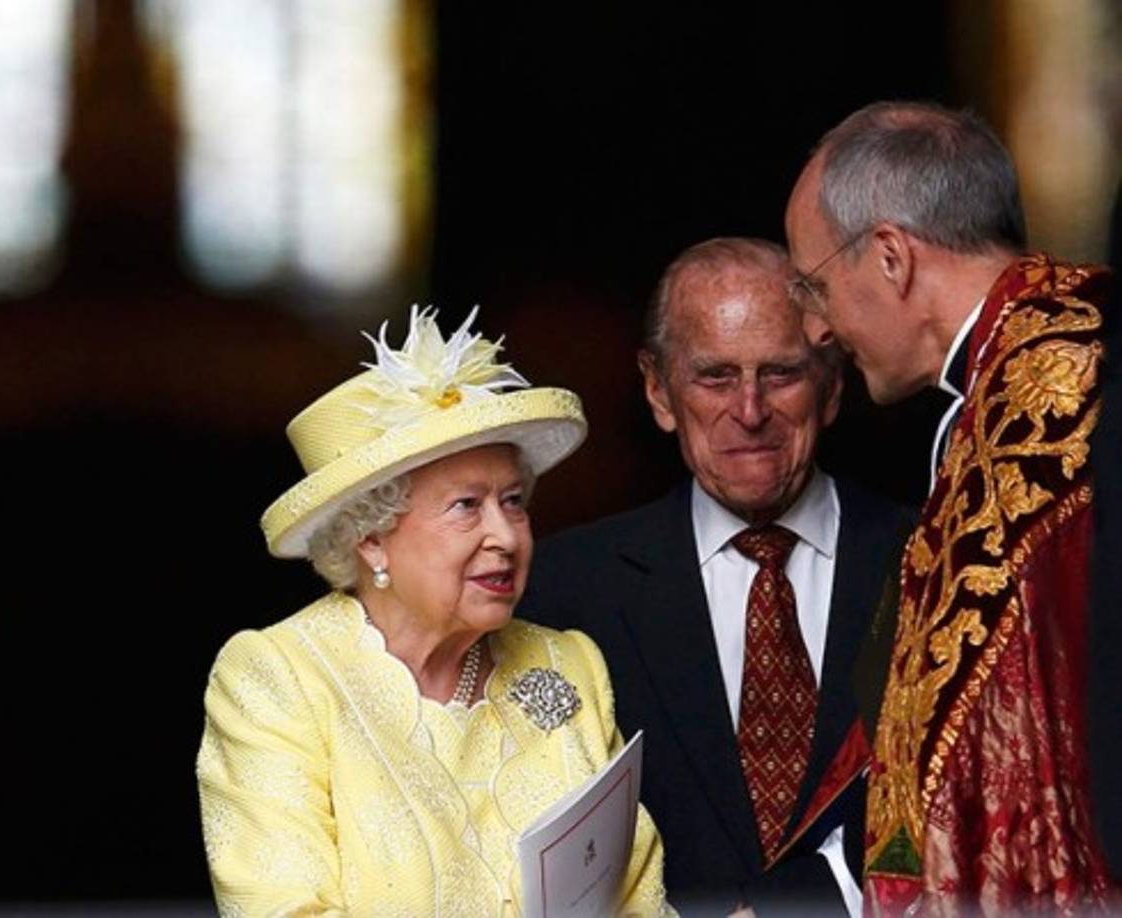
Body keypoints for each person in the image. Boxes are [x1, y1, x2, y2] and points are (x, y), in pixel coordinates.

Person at [195, 307, 672, 915]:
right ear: (371, 537)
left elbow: (636, 899)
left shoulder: (568, 661)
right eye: (467, 506)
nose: (505, 534)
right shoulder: (278, 678)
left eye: (514, 501)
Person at [785, 100, 1119, 913]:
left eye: (816, 286)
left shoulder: (1080, 392)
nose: (815, 327)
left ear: (891, 256)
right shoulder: (993, 395)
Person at [523, 238, 913, 915]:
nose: (750, 410)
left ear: (832, 386)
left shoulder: (933, 559)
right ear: (658, 390)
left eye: (781, 373)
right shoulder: (563, 590)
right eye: (714, 377)